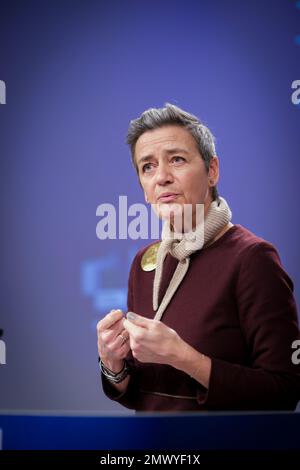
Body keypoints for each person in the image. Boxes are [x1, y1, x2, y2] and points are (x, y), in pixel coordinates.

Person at [97, 103, 300, 411]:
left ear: (212, 171)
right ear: (144, 190)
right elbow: (145, 392)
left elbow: (285, 391)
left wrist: (183, 357)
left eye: (176, 159)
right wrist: (113, 364)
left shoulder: (253, 259)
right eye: (147, 166)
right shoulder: (144, 262)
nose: (161, 177)